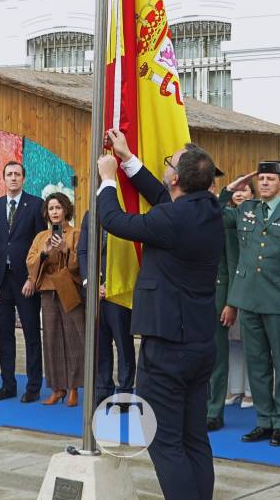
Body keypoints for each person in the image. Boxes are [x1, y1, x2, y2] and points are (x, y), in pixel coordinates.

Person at [96, 129, 221, 500]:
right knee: (194, 438)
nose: (165, 166)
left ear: (178, 178)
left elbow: (116, 221)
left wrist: (107, 180)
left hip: (168, 347)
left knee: (165, 443)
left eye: (169, 163)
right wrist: (127, 158)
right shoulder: (209, 208)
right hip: (199, 342)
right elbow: (164, 198)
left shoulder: (172, 219)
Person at [220, 160, 280, 447]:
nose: (265, 183)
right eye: (262, 179)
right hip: (248, 298)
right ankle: (263, 420)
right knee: (257, 363)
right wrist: (230, 188)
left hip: (279, 299)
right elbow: (216, 214)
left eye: (271, 178)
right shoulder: (247, 209)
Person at [0, 161, 47, 403]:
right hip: (1, 281)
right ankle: (7, 385)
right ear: (3, 178)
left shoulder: (35, 205)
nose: (13, 178)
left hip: (27, 282)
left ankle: (33, 386)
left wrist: (34, 277)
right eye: (9, 174)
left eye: (17, 174)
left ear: (24, 178)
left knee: (32, 334)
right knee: (4, 335)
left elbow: (42, 243)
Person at [26, 192, 84, 407]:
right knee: (51, 339)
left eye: (58, 207)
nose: (55, 212)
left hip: (69, 289)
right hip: (48, 290)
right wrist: (45, 252)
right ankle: (57, 388)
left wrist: (65, 250)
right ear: (47, 213)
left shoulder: (76, 233)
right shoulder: (41, 236)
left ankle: (74, 388)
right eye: (51, 208)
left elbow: (80, 264)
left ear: (66, 209)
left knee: (74, 337)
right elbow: (30, 261)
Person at [77, 210, 135, 408]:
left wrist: (112, 284)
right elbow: (83, 251)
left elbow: (131, 256)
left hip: (118, 292)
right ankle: (103, 390)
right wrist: (89, 282)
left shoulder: (127, 211)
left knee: (123, 344)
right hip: (94, 293)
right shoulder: (91, 213)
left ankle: (125, 393)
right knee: (100, 344)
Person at [207, 182, 244, 431]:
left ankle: (213, 411)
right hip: (190, 295)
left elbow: (232, 261)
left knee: (217, 356)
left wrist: (231, 302)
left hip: (217, 294)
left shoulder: (226, 216)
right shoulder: (186, 212)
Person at [224, 184, 254, 411]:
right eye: (237, 190)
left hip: (254, 285)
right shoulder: (226, 217)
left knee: (252, 343)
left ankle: (251, 391)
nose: (240, 193)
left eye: (245, 190)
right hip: (230, 284)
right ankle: (235, 388)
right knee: (234, 342)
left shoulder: (259, 217)